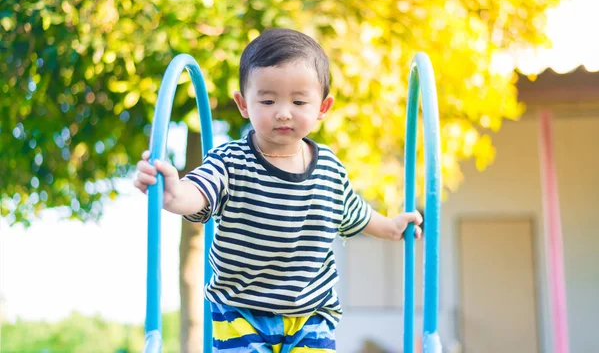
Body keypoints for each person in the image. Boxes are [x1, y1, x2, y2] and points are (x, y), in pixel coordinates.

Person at [134, 28, 423, 352]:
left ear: (322, 107)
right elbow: (194, 194)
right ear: (244, 104)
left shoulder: (328, 168)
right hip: (241, 311)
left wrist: (391, 227)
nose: (283, 112)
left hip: (312, 312)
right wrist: (172, 192)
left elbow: (356, 213)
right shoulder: (230, 162)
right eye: (268, 100)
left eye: (299, 101)